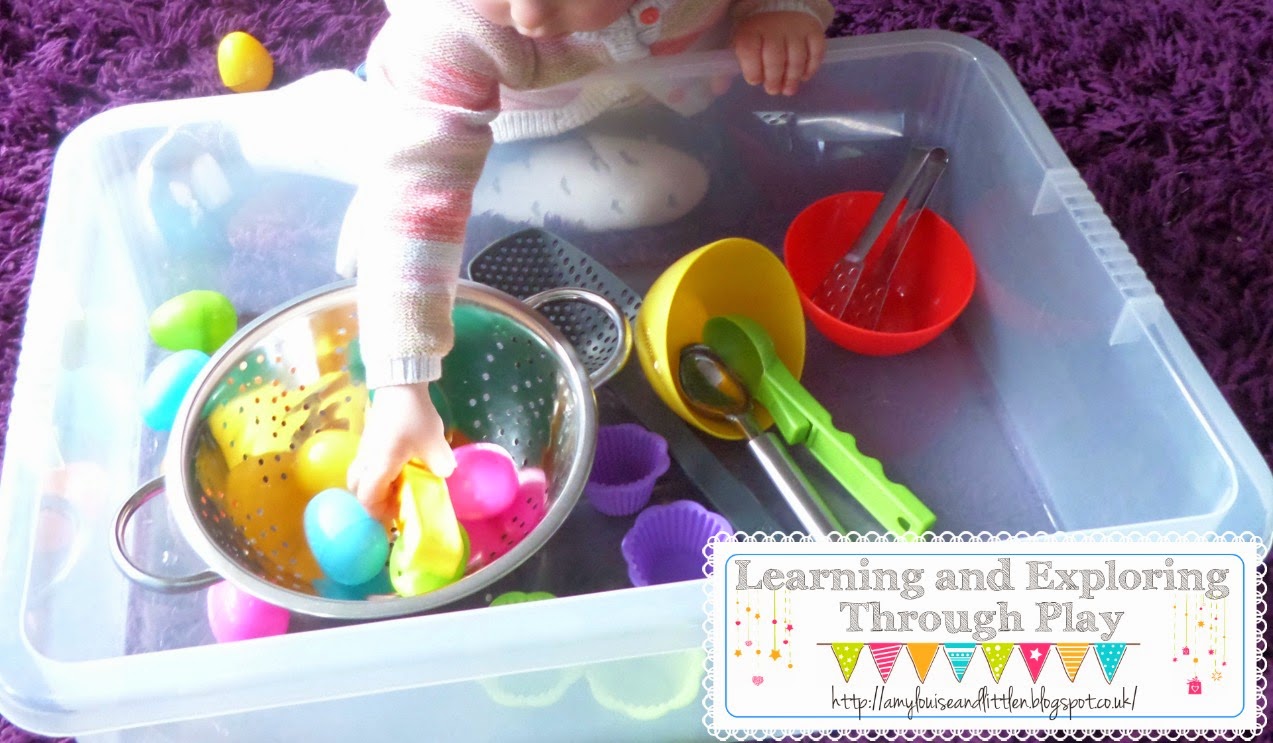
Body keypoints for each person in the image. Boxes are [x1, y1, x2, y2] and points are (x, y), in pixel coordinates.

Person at [344, 0, 835, 519]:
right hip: (492, 114)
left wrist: (781, 12)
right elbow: (421, 176)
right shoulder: (449, 26)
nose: (529, 16)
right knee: (398, 172)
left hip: (652, 98)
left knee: (671, 186)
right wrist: (400, 381)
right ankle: (328, 133)